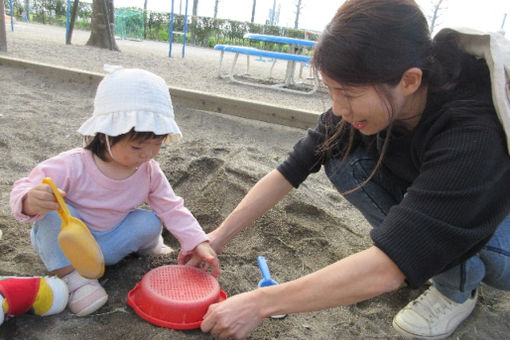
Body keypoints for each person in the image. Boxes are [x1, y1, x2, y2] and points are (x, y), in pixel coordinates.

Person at [196, 0, 510, 339]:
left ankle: (455, 293)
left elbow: (390, 267)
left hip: (499, 233)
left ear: (409, 80)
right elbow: (291, 168)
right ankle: (443, 266)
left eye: (347, 93)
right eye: (331, 91)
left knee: (421, 245)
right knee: (340, 157)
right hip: (439, 207)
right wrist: (218, 236)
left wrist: (258, 303)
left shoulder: (471, 133)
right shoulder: (378, 99)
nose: (338, 108)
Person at [9, 67, 220, 317]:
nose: (148, 154)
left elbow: (171, 207)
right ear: (106, 134)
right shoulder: (72, 164)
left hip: (110, 243)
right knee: (51, 215)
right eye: (137, 146)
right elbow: (21, 189)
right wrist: (30, 200)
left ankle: (149, 247)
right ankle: (75, 280)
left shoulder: (149, 171)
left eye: (157, 145)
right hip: (68, 246)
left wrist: (197, 242)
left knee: (150, 221)